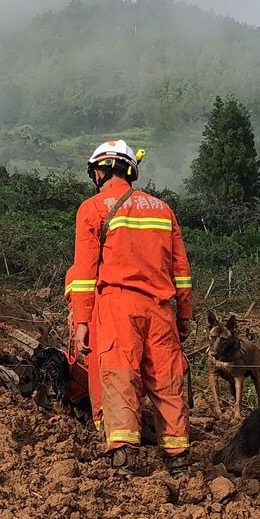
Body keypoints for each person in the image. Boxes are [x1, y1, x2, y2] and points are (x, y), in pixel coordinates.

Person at [64, 140, 194, 472]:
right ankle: (178, 459)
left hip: (118, 306)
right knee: (167, 380)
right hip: (162, 309)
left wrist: (81, 323)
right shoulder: (163, 210)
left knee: (120, 374)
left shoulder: (92, 209)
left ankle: (123, 454)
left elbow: (84, 275)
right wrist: (185, 317)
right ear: (130, 171)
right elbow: (181, 272)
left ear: (99, 172)